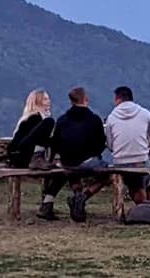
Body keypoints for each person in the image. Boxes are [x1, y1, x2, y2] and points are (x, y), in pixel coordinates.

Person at [52, 86, 110, 222]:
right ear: (86, 99)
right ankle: (83, 197)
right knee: (108, 174)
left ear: (71, 101)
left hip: (67, 162)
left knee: (72, 172)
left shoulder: (61, 120)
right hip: (88, 161)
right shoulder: (94, 119)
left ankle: (77, 194)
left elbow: (55, 142)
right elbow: (101, 143)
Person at [104, 85, 150, 205]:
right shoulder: (144, 113)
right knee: (147, 175)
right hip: (141, 161)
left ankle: (145, 205)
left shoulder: (111, 118)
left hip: (120, 163)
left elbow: (111, 146)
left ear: (117, 99)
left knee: (134, 182)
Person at [6, 89, 61, 220]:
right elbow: (28, 142)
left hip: (20, 155)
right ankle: (36, 158)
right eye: (46, 99)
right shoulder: (35, 118)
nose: (49, 101)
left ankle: (47, 205)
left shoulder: (34, 118)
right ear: (38, 101)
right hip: (21, 155)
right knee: (50, 122)